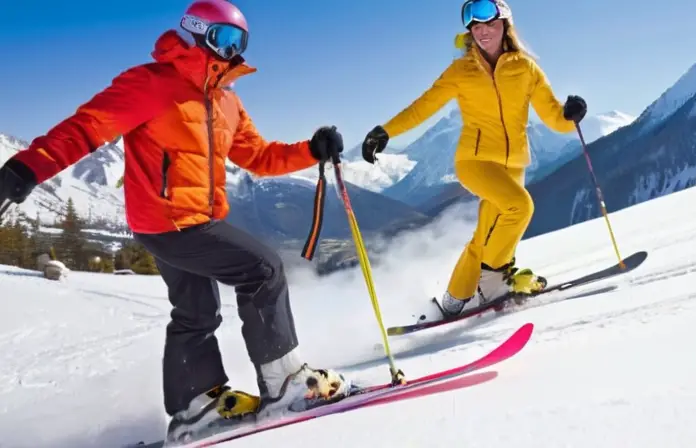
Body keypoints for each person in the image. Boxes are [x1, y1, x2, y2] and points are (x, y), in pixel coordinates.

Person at [0, 0, 350, 444]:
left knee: (196, 312)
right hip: (170, 222)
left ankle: (194, 407)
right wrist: (25, 169)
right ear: (195, 31)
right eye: (224, 38)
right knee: (262, 270)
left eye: (239, 42)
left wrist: (310, 150)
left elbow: (258, 156)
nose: (232, 51)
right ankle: (286, 383)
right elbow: (85, 127)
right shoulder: (150, 84)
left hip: (193, 220)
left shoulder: (226, 101)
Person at [360, 0, 587, 317]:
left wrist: (570, 115)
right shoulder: (461, 71)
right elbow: (423, 105)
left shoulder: (526, 69)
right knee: (519, 207)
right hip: (475, 161)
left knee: (486, 235)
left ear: (505, 25)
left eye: (488, 25)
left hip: (514, 163)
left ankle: (455, 298)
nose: (481, 32)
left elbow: (553, 116)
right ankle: (493, 281)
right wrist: (385, 132)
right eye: (475, 27)